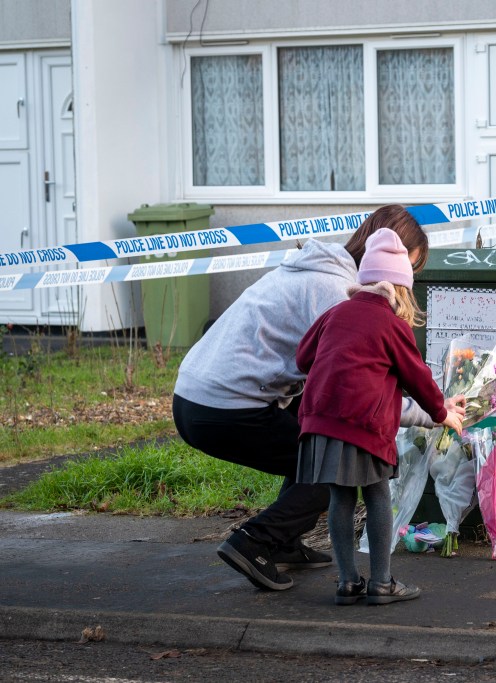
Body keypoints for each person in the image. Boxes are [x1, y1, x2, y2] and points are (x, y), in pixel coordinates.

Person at [172, 205, 464, 591]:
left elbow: (307, 360)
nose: (406, 286)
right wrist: (433, 414)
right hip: (223, 406)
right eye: (408, 270)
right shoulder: (336, 293)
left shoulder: (321, 270)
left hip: (197, 393)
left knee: (313, 436)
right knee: (331, 466)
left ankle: (284, 541)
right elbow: (357, 391)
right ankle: (255, 542)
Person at [295, 228, 463, 605]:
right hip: (363, 425)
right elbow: (418, 378)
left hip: (321, 421)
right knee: (377, 496)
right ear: (400, 288)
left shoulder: (335, 313)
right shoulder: (392, 325)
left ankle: (347, 582)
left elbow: (302, 358)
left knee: (339, 497)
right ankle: (382, 583)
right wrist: (442, 413)